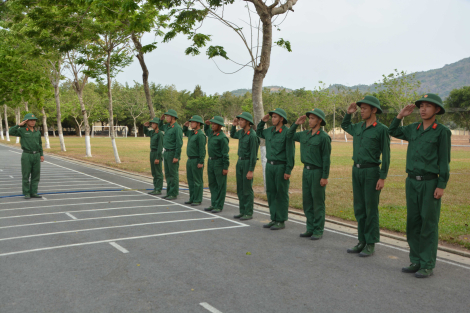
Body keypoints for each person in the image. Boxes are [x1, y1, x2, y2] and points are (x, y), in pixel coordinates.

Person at [388, 93, 451, 278]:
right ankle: (415, 260)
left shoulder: (441, 132)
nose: (423, 109)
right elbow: (393, 131)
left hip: (430, 183)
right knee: (413, 223)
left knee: (428, 224)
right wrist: (400, 116)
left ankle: (427, 264)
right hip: (411, 182)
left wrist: (441, 184)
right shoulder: (413, 129)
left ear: (437, 110)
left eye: (428, 106)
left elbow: (444, 160)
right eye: (421, 106)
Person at [341, 96, 390, 257]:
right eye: (360, 108)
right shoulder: (358, 127)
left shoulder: (381, 129)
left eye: (365, 108)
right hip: (357, 170)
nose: (361, 111)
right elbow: (345, 125)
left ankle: (370, 242)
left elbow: (387, 155)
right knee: (359, 208)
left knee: (371, 209)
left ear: (374, 110)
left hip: (372, 172)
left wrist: (382, 177)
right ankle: (361, 240)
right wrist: (348, 113)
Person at [286, 109, 331, 240]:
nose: (309, 120)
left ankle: (318, 230)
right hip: (306, 171)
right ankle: (310, 228)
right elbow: (289, 135)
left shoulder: (324, 138)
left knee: (318, 202)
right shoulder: (304, 134)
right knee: (307, 201)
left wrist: (324, 176)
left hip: (317, 172)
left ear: (319, 121)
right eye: (309, 118)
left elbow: (326, 159)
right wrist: (295, 123)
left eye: (312, 118)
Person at [256, 108, 295, 230]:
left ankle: (281, 220)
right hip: (270, 166)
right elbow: (259, 132)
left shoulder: (287, 132)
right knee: (271, 192)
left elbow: (290, 153)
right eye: (272, 117)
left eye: (275, 117)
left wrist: (288, 170)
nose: (273, 119)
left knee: (281, 194)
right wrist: (262, 121)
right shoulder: (269, 131)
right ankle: (274, 218)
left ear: (281, 119)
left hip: (281, 166)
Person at [230, 112, 259, 220]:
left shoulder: (252, 135)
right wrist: (233, 125)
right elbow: (233, 135)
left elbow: (253, 155)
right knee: (240, 188)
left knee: (247, 189)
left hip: (247, 163)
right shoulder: (241, 133)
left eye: (242, 120)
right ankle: (242, 211)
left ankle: (248, 212)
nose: (240, 122)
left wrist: (251, 170)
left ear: (247, 122)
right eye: (239, 120)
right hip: (240, 162)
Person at [9, 113, 44, 199]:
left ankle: (34, 192)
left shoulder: (37, 132)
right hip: (27, 155)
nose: (33, 122)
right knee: (26, 175)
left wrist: (41, 155)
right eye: (30, 120)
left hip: (36, 155)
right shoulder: (22, 130)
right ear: (26, 121)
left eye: (34, 120)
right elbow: (11, 132)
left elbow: (40, 144)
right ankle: (26, 193)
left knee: (36, 175)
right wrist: (19, 125)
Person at [203, 116, 230, 213]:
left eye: (214, 124)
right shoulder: (211, 134)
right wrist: (206, 125)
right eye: (212, 123)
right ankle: (213, 203)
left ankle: (219, 205)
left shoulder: (222, 138)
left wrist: (225, 167)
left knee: (220, 185)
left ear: (220, 125)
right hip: (211, 161)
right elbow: (206, 132)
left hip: (219, 162)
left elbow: (225, 154)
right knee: (212, 184)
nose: (212, 125)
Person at [158, 109, 183, 200]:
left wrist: (176, 156)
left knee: (173, 175)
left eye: (168, 116)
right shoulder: (167, 126)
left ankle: (174, 193)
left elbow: (179, 143)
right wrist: (160, 120)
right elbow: (160, 127)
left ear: (173, 117)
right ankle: (169, 192)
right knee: (168, 174)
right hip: (166, 152)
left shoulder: (177, 128)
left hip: (173, 152)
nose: (166, 118)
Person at [182, 115, 206, 206]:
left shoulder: (200, 135)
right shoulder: (192, 133)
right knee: (190, 180)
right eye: (191, 122)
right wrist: (185, 126)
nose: (191, 123)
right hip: (190, 160)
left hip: (196, 160)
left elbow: (202, 150)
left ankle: (197, 199)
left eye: (193, 122)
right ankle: (192, 198)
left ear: (198, 123)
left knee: (197, 181)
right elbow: (185, 132)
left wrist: (201, 162)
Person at [143, 117, 164, 195]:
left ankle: (158, 189)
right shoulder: (153, 132)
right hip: (152, 153)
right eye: (151, 123)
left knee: (158, 172)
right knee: (154, 172)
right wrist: (145, 127)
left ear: (157, 124)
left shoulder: (160, 133)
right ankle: (155, 187)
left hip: (156, 153)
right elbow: (146, 132)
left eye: (153, 123)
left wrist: (158, 157)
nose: (152, 125)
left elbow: (160, 147)